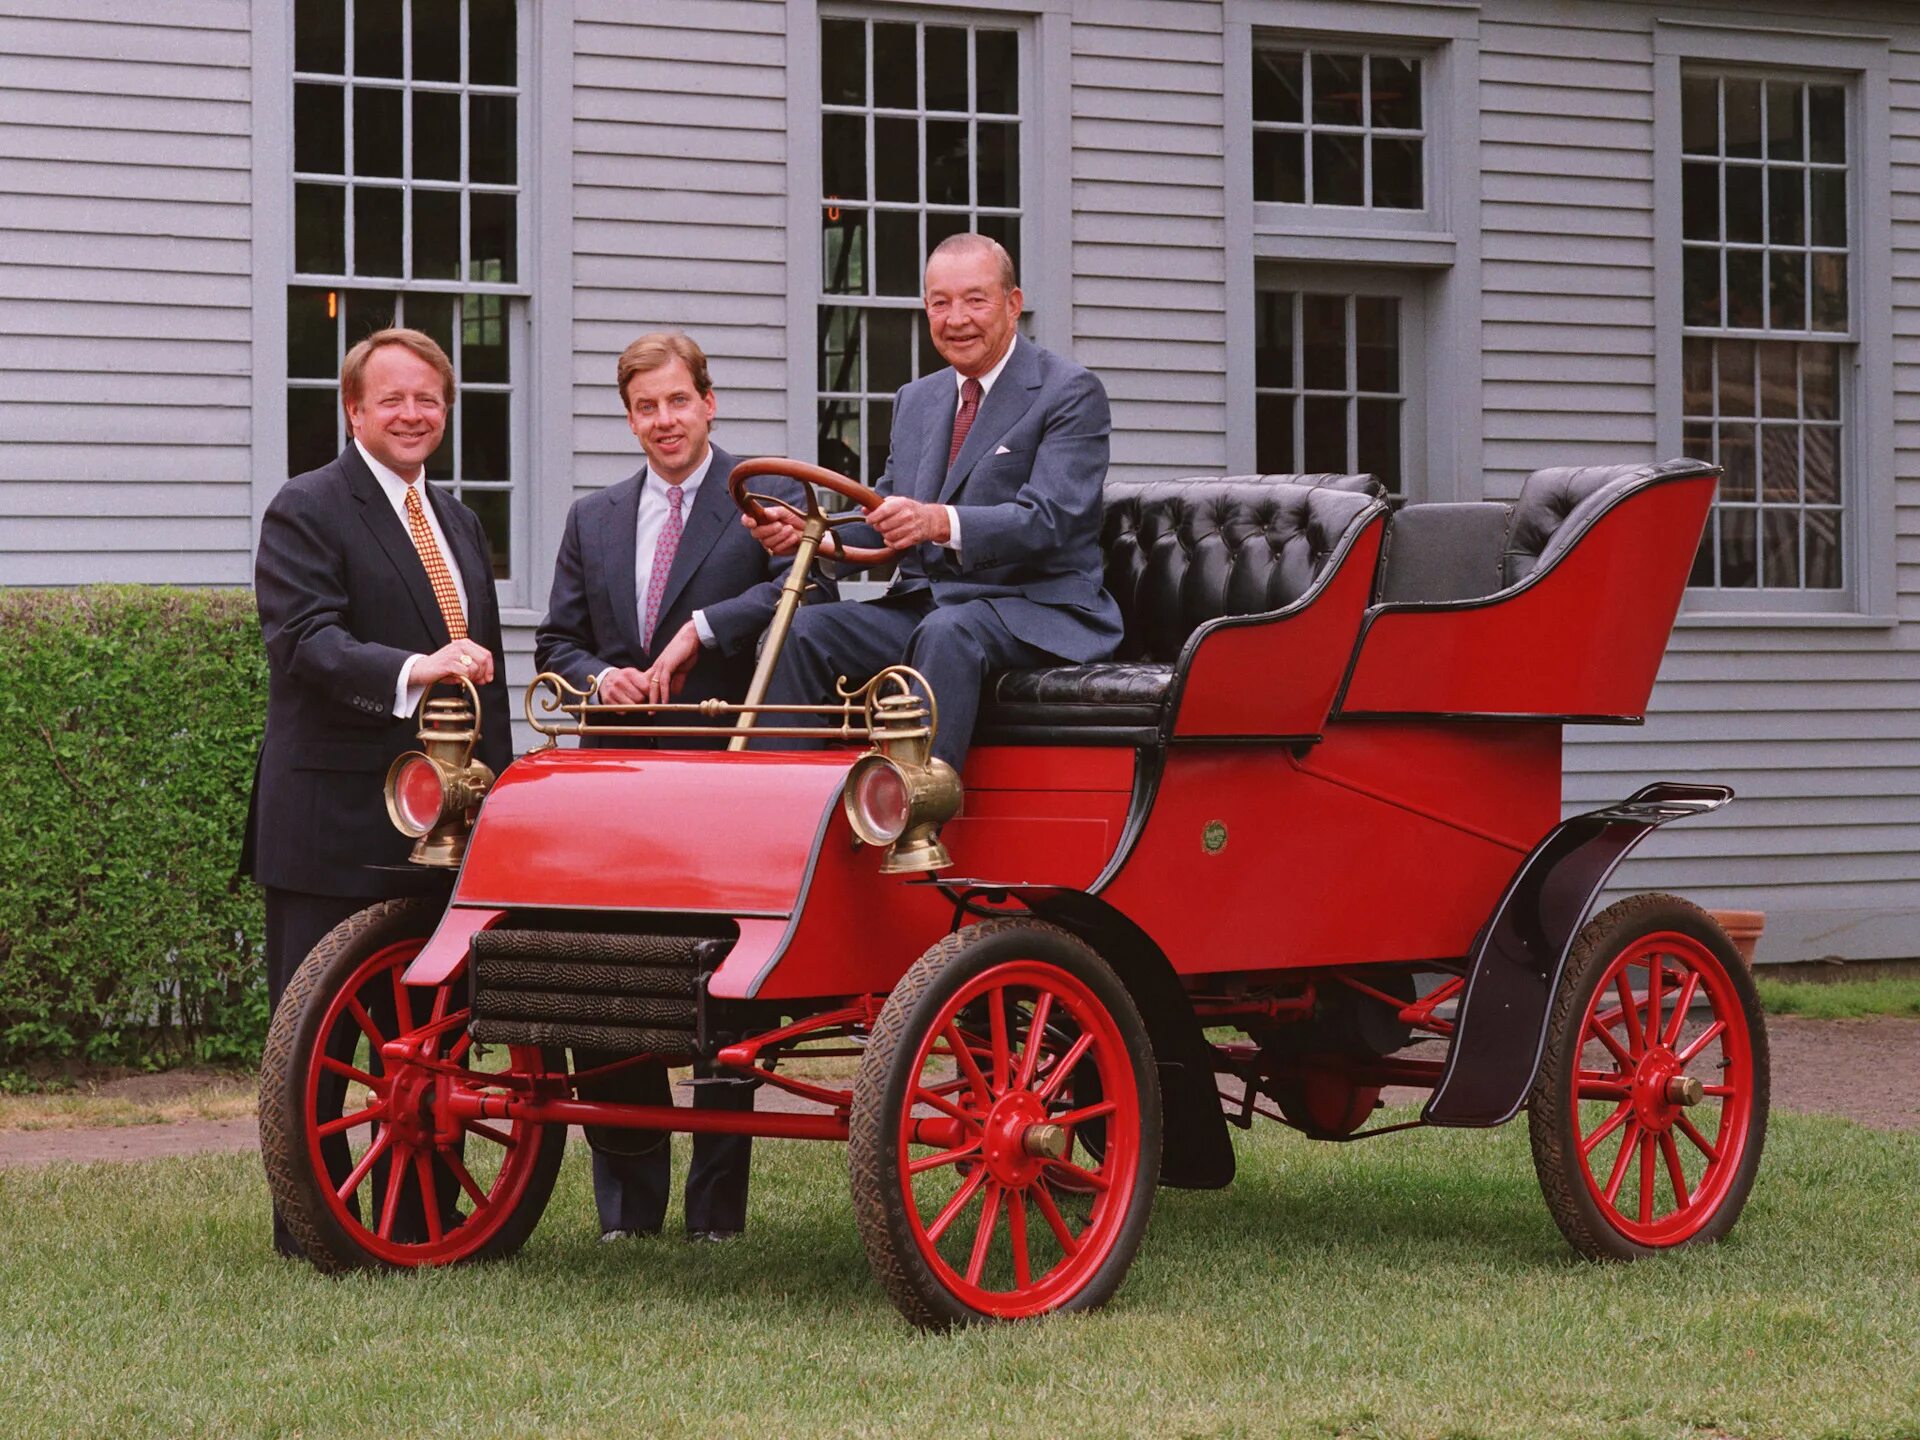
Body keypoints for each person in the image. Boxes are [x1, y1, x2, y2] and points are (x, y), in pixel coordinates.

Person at [535, 331, 826, 1242]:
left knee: (724, 990)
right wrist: (598, 680)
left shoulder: (770, 497)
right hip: (616, 786)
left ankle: (716, 1218)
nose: (662, 421)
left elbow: (811, 604)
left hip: (728, 785)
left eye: (676, 401)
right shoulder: (593, 518)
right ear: (629, 418)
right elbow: (557, 645)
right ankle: (627, 1214)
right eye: (644, 408)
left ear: (709, 401)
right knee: (611, 982)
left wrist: (704, 626)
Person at [243, 327, 511, 1257]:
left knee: (426, 1037)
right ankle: (309, 1229)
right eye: (391, 399)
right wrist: (416, 670)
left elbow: (486, 679)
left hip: (440, 825)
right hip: (331, 818)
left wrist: (498, 797)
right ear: (353, 409)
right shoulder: (306, 508)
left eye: (428, 399)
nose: (412, 414)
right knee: (313, 1045)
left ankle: (419, 1217)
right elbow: (305, 643)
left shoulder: (461, 521)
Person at [747, 233, 1122, 773]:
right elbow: (884, 519)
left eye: (976, 299)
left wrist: (937, 522)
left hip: (1035, 608)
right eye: (940, 302)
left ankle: (910, 819)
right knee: (809, 629)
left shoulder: (1069, 391)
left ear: (1013, 305)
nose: (956, 318)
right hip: (931, 606)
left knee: (948, 632)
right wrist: (814, 536)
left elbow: (1052, 520)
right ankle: (778, 815)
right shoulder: (918, 399)